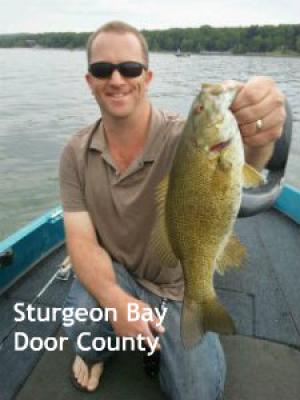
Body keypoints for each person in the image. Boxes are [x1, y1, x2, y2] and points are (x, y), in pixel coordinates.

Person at [59, 21, 286, 399]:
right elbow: (80, 241)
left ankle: (179, 327)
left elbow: (249, 164)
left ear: (147, 78)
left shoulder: (187, 138)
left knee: (200, 392)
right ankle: (99, 349)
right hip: (116, 273)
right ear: (89, 81)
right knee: (81, 331)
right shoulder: (75, 152)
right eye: (103, 70)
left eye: (129, 69)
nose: (117, 79)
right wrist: (117, 303)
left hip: (175, 285)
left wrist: (262, 128)